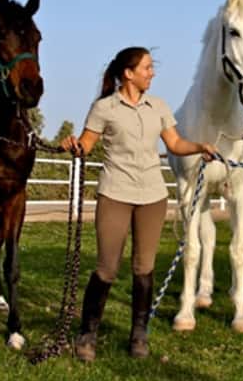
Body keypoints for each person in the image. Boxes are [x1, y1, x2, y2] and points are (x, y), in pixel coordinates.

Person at [60, 46, 216, 361]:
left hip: (152, 197)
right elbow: (86, 146)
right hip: (115, 194)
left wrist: (199, 146)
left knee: (144, 267)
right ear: (128, 73)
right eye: (147, 68)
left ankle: (139, 335)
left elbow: (174, 143)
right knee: (106, 267)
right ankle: (88, 334)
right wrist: (74, 146)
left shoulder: (158, 106)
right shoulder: (104, 108)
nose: (152, 73)